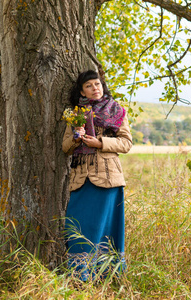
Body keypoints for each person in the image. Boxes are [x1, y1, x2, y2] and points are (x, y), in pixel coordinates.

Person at [62, 70, 132, 280]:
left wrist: (100, 143)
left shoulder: (117, 110)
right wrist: (76, 137)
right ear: (82, 91)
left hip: (108, 178)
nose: (95, 88)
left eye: (98, 84)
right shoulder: (75, 113)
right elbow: (65, 148)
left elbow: (127, 143)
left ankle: (106, 275)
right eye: (89, 85)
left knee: (105, 227)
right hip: (80, 179)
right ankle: (80, 276)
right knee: (76, 226)